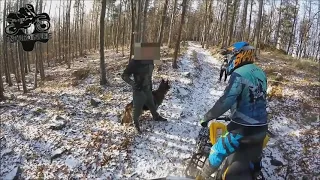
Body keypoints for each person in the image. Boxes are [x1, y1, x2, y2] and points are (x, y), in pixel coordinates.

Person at [199, 41, 268, 179]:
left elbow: (225, 101)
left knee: (216, 151)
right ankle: (255, 171)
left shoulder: (239, 74)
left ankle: (201, 177)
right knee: (256, 156)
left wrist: (206, 117)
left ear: (240, 55)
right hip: (262, 128)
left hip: (242, 129)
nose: (231, 58)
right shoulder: (261, 72)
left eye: (232, 54)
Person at [121, 58, 167, 133]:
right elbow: (124, 75)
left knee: (152, 105)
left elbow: (149, 75)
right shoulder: (135, 62)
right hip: (138, 90)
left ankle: (156, 117)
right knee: (137, 110)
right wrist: (133, 84)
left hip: (148, 89)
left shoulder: (150, 60)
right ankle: (136, 125)